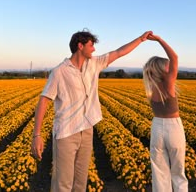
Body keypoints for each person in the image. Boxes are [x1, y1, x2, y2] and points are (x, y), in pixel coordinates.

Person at [31, 29, 153, 192]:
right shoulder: (59, 72)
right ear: (80, 46)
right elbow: (44, 100)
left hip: (87, 130)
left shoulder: (94, 64)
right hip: (66, 133)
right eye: (91, 45)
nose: (94, 49)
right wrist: (37, 135)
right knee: (63, 184)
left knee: (81, 182)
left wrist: (140, 39)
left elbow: (118, 52)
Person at [143, 33, 188, 192]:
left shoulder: (151, 86)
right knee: (178, 170)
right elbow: (174, 57)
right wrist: (159, 40)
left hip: (157, 127)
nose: (171, 68)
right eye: (168, 66)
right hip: (173, 127)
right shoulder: (168, 84)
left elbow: (172, 60)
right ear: (163, 69)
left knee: (159, 171)